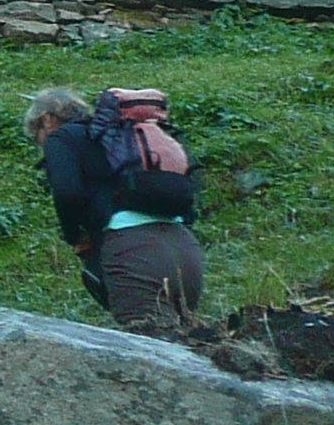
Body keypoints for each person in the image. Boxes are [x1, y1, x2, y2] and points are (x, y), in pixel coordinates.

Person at [26, 84, 202, 334]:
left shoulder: (61, 137)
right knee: (186, 342)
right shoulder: (119, 136)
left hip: (134, 253)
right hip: (185, 248)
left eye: (36, 136)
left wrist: (76, 237)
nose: (39, 143)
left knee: (149, 347)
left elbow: (68, 193)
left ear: (47, 120)